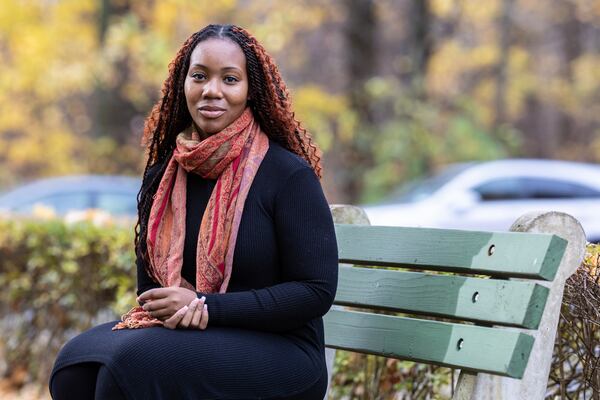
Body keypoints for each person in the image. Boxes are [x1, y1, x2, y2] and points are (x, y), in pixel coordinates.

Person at [49, 24, 338, 400]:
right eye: (199, 76)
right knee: (76, 365)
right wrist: (180, 309)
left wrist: (207, 307)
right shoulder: (165, 176)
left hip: (283, 351)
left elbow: (314, 292)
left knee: (129, 369)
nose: (211, 90)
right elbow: (150, 287)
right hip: (200, 338)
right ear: (182, 84)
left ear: (251, 91)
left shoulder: (287, 175)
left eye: (230, 79)